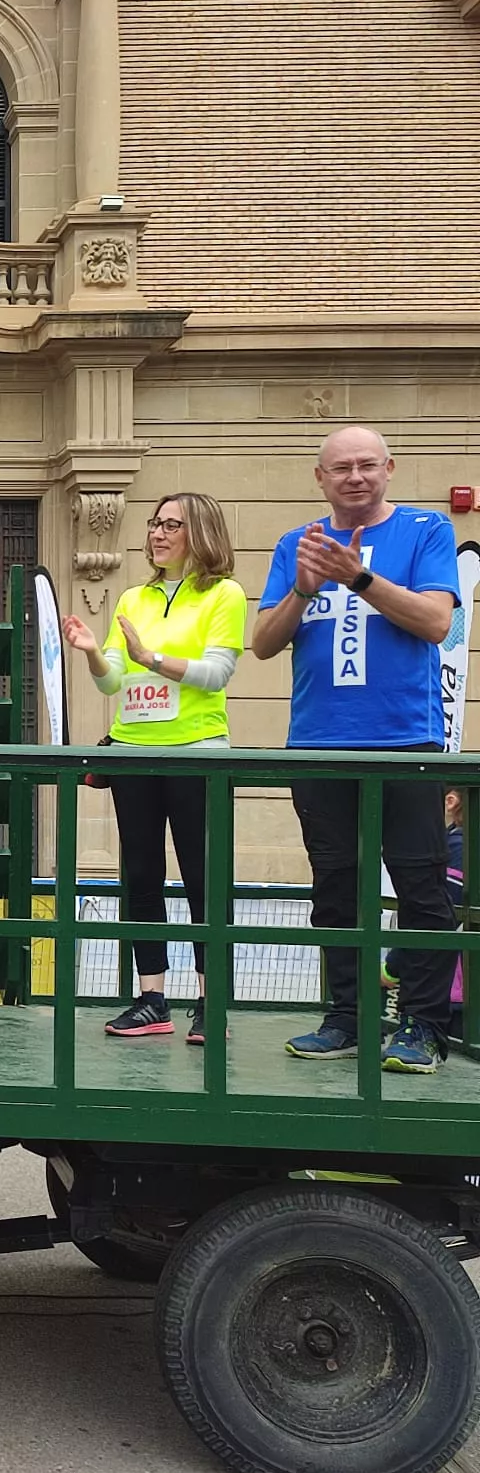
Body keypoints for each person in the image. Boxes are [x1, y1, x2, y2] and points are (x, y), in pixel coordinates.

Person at [252, 426, 461, 1074]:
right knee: (336, 890)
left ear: (390, 469)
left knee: (421, 888)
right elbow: (262, 642)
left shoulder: (426, 532)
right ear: (320, 478)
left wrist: (360, 577)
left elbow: (436, 622)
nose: (355, 477)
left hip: (406, 741)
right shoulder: (297, 544)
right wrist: (307, 588)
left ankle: (421, 1026)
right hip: (319, 744)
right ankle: (346, 1017)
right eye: (341, 468)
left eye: (368, 465)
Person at [61, 492, 245, 1042]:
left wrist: (151, 659)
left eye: (172, 525)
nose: (158, 533)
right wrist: (94, 651)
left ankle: (212, 1003)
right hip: (134, 750)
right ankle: (152, 997)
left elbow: (216, 674)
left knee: (202, 881)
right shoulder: (134, 598)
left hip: (196, 753)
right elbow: (111, 681)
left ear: (201, 533)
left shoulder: (225, 594)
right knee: (140, 874)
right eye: (155, 523)